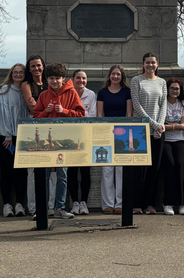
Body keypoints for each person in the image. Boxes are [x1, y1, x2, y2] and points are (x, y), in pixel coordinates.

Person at [32, 62, 85, 219]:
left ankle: (59, 208)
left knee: (62, 175)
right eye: (51, 78)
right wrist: (45, 113)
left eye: (57, 78)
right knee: (45, 175)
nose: (54, 81)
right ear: (47, 79)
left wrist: (65, 111)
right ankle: (43, 208)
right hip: (46, 142)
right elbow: (35, 117)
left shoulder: (72, 93)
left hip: (64, 141)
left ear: (63, 78)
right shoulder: (43, 96)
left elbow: (81, 115)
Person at [131, 53, 168, 215]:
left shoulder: (162, 82)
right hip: (140, 131)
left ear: (157, 64)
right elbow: (137, 106)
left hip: (158, 132)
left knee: (155, 169)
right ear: (143, 64)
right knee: (139, 169)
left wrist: (159, 126)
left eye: (153, 62)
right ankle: (136, 203)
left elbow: (163, 105)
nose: (150, 65)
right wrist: (154, 125)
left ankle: (150, 204)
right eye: (147, 62)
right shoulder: (136, 81)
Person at [96, 64, 133, 214]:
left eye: (118, 74)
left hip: (122, 134)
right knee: (107, 170)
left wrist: (122, 132)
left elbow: (129, 114)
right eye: (113, 74)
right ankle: (107, 205)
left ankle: (120, 204)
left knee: (120, 170)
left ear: (121, 76)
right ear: (109, 76)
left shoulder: (127, 92)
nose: (115, 77)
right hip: (106, 132)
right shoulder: (102, 93)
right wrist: (106, 130)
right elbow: (100, 114)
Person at [0, 63, 30, 217]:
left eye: (21, 72)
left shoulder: (27, 89)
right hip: (6, 137)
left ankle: (20, 204)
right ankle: (7, 204)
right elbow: (3, 114)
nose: (18, 74)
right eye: (15, 72)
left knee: (21, 172)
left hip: (22, 136)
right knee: (7, 171)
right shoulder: (5, 89)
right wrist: (8, 135)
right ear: (11, 74)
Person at [68, 69, 97, 215]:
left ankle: (84, 202)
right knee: (72, 172)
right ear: (73, 79)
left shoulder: (91, 95)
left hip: (86, 137)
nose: (81, 81)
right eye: (78, 78)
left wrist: (76, 117)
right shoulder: (68, 93)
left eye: (84, 78)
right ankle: (74, 202)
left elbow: (92, 115)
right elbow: (66, 115)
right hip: (71, 137)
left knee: (85, 172)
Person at [21, 55, 47, 215]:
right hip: (33, 126)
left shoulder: (50, 83)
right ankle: (33, 206)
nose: (36, 69)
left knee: (51, 168)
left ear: (43, 66)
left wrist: (42, 108)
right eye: (33, 66)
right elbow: (32, 107)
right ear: (29, 69)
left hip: (50, 126)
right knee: (32, 169)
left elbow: (38, 106)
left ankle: (49, 205)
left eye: (38, 65)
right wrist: (47, 109)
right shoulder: (26, 84)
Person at [161, 77, 184, 215]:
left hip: (179, 140)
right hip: (165, 140)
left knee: (179, 165)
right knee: (170, 165)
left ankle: (182, 202)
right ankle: (168, 202)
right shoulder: (162, 104)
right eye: (172, 88)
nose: (174, 91)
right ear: (167, 90)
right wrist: (176, 126)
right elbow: (160, 126)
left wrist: (170, 126)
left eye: (177, 89)